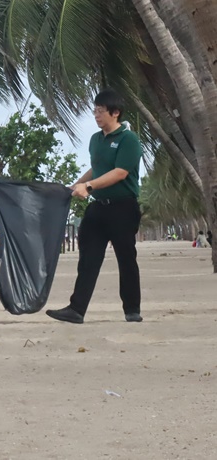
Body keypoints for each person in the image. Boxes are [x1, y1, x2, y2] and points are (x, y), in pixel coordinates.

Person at [47, 90, 144, 324]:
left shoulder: (128, 139)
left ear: (115, 112)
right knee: (88, 259)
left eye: (101, 111)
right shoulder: (95, 139)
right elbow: (96, 169)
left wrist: (89, 186)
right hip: (98, 208)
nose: (96, 115)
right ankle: (76, 309)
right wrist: (75, 186)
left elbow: (120, 172)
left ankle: (132, 309)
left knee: (126, 259)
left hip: (123, 207)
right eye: (95, 111)